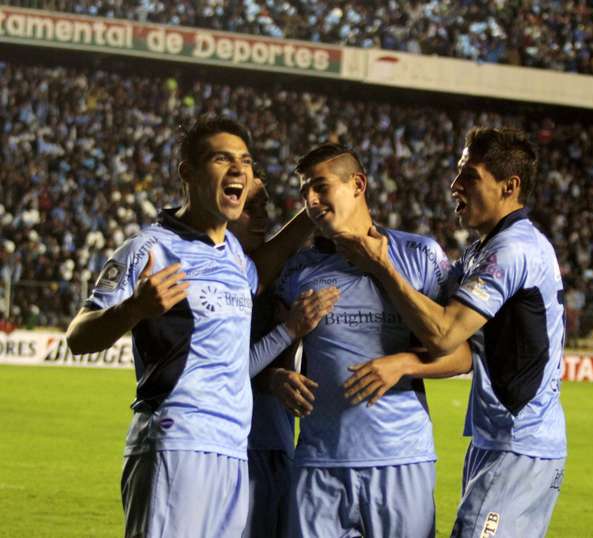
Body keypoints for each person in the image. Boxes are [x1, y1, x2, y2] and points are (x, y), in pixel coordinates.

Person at [65, 114, 313, 538]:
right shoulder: (150, 248)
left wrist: (315, 211)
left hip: (233, 451)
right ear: (188, 173)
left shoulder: (234, 255)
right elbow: (77, 336)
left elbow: (265, 265)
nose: (239, 169)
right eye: (222, 159)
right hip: (175, 443)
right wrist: (134, 309)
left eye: (245, 160)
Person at [333, 127, 567, 538]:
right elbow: (432, 313)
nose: (454, 185)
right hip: (503, 442)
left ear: (509, 186)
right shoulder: (486, 248)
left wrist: (381, 266)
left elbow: (443, 334)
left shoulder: (512, 251)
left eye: (469, 175)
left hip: (519, 444)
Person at [277, 143, 472, 537]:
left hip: (401, 459)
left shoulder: (420, 255)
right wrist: (278, 377)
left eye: (319, 187)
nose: (310, 202)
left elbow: (462, 355)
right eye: (303, 193)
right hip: (320, 461)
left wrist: (402, 364)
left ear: (357, 184)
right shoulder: (298, 268)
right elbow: (278, 356)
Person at [229, 177, 338, 538]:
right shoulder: (217, 281)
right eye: (250, 208)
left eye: (265, 207)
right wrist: (285, 341)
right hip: (236, 452)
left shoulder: (281, 276)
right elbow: (224, 370)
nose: (261, 217)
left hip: (281, 445)